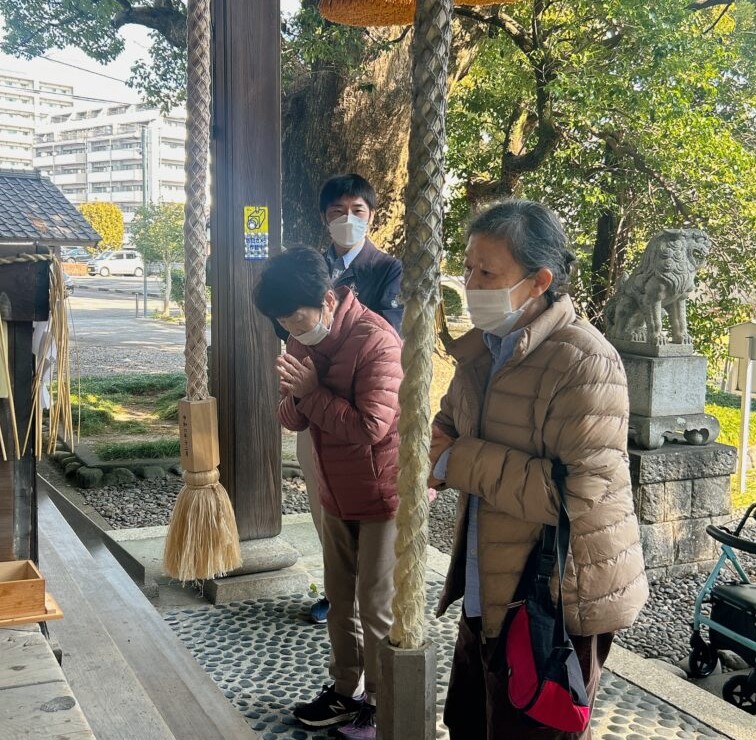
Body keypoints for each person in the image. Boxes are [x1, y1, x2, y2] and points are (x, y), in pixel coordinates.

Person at [429, 200, 649, 740]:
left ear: (538, 281)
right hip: (490, 579)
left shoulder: (585, 361)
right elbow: (449, 425)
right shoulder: (483, 349)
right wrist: (439, 447)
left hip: (556, 596)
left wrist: (457, 460)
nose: (471, 281)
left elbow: (576, 496)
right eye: (467, 266)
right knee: (467, 722)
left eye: (488, 272)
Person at [253, 247, 402, 739]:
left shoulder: (377, 339)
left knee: (376, 604)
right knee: (340, 600)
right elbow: (289, 416)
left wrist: (311, 392)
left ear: (329, 299)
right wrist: (298, 395)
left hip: (382, 494)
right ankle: (345, 690)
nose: (294, 332)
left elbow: (372, 427)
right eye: (285, 325)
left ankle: (381, 704)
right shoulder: (300, 341)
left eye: (298, 319)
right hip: (335, 490)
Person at [275, 173, 403, 624]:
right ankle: (336, 593)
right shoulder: (309, 266)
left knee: (374, 541)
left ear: (371, 216)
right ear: (324, 218)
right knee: (322, 495)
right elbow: (290, 333)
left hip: (363, 403)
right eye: (337, 212)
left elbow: (390, 333)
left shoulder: (386, 268)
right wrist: (303, 382)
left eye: (357, 211)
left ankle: (371, 605)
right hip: (317, 411)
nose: (347, 220)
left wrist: (322, 368)